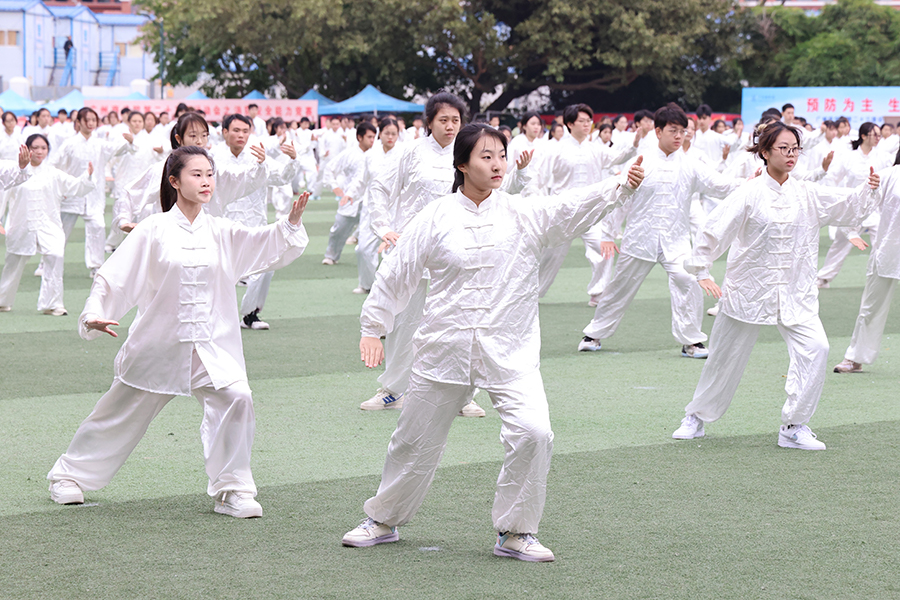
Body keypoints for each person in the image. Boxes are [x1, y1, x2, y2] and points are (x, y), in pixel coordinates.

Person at [341, 123, 645, 561]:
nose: (498, 164)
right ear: (462, 164)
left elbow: (570, 207)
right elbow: (397, 270)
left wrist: (619, 185)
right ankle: (383, 519)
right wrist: (373, 327)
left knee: (535, 432)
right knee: (413, 440)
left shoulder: (523, 213)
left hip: (510, 349)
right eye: (486, 156)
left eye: (502, 155)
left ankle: (516, 531)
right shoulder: (436, 216)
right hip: (444, 346)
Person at [46, 146, 311, 516]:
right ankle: (67, 476)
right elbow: (114, 277)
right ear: (174, 181)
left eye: (209, 174)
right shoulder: (153, 229)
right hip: (159, 346)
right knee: (117, 414)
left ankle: (233, 489)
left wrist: (289, 226)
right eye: (196, 174)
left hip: (210, 349)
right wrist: (94, 313)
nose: (206, 182)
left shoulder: (220, 230)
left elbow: (260, 243)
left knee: (237, 397)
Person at [673, 121, 880, 449]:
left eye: (795, 149)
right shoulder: (749, 192)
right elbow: (716, 228)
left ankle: (794, 425)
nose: (791, 154)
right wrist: (702, 269)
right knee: (724, 357)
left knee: (817, 348)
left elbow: (845, 205)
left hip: (796, 292)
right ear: (765, 152)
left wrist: (868, 190)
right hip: (748, 290)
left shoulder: (807, 192)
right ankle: (696, 416)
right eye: (783, 148)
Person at [360, 92, 530, 415]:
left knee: (461, 324)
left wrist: (520, 174)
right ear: (429, 122)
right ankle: (394, 389)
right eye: (444, 120)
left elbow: (496, 190)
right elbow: (380, 188)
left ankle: (464, 395)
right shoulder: (410, 152)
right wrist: (384, 227)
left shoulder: (468, 153)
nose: (450, 126)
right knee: (404, 323)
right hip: (413, 249)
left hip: (457, 252)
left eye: (456, 120)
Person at [579, 103, 744, 357]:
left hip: (676, 242)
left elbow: (721, 186)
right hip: (639, 239)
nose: (679, 136)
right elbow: (620, 199)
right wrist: (609, 235)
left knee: (688, 280)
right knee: (619, 287)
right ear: (658, 132)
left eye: (682, 131)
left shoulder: (691, 165)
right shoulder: (640, 162)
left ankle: (692, 342)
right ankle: (593, 334)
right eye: (673, 131)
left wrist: (751, 183)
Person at [537, 103, 641, 300]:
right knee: (550, 256)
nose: (587, 125)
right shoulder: (555, 150)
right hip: (562, 211)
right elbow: (540, 178)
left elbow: (617, 158)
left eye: (589, 121)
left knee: (604, 249)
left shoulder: (596, 149)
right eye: (582, 121)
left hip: (590, 210)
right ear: (569, 124)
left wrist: (633, 146)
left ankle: (598, 293)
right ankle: (533, 294)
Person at [210, 113, 300, 331]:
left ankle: (250, 314)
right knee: (219, 271)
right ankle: (214, 316)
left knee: (266, 266)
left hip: (255, 221)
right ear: (224, 132)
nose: (241, 135)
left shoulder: (257, 154)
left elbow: (282, 177)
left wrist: (292, 160)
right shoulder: (213, 157)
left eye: (245, 131)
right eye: (236, 130)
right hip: (223, 223)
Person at [0, 136, 93, 315]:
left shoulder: (53, 173)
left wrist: (86, 176)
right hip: (21, 225)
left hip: (48, 225)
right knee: (13, 263)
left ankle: (52, 304)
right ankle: (3, 301)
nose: (40, 151)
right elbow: (3, 195)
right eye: (35, 147)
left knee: (55, 255)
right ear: (27, 149)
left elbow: (75, 186)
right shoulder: (15, 171)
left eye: (43, 148)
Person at [833, 152, 900, 374]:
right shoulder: (889, 175)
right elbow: (861, 201)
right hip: (889, 252)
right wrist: (851, 231)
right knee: (870, 308)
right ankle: (855, 358)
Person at [51, 107, 136, 277]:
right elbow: (54, 164)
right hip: (71, 195)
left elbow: (119, 149)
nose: (90, 123)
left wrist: (130, 142)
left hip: (94, 196)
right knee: (61, 232)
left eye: (93, 120)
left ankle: (96, 266)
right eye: (87, 120)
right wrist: (60, 187)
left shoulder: (100, 144)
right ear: (79, 122)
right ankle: (49, 263)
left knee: (98, 226)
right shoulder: (69, 144)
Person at [816, 122, 892, 288]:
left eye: (879, 134)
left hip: (875, 210)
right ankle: (823, 278)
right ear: (863, 136)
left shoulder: (883, 157)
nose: (878, 138)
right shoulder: (849, 157)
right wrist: (836, 200)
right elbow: (833, 178)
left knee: (882, 243)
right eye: (875, 134)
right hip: (852, 209)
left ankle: (882, 279)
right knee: (840, 245)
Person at [341, 117, 402, 294]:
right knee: (363, 249)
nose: (390, 137)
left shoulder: (404, 154)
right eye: (387, 133)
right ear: (379, 134)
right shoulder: (370, 155)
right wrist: (350, 193)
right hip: (372, 208)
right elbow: (362, 179)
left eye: (394, 134)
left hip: (395, 208)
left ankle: (392, 289)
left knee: (395, 252)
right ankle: (366, 284)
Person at [321, 122, 377, 266]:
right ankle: (331, 256)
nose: (372, 140)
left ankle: (371, 262)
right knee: (338, 230)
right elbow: (329, 169)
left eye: (374, 137)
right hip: (350, 200)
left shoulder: (377, 154)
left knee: (373, 233)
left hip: (371, 200)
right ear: (359, 137)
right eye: (369, 137)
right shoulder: (349, 154)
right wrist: (335, 188)